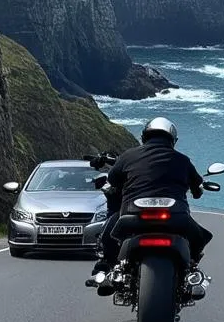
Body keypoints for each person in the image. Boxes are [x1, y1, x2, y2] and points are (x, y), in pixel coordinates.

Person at [88, 117, 213, 286]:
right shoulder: (182, 160)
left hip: (133, 213)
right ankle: (191, 272)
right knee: (199, 237)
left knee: (109, 233)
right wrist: (197, 190)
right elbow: (197, 190)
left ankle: (106, 269)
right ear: (172, 140)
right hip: (175, 215)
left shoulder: (128, 156)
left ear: (144, 137)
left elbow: (113, 180)